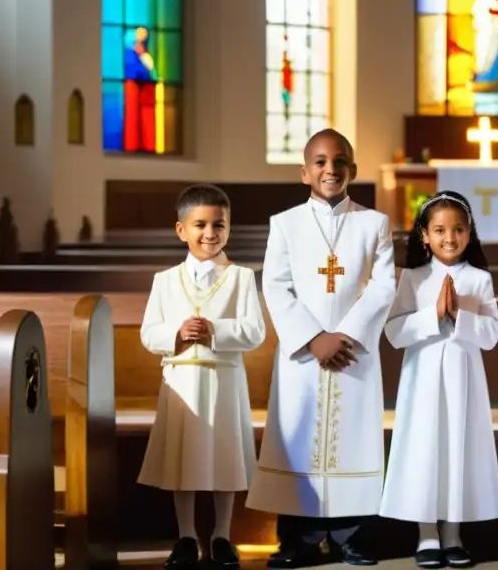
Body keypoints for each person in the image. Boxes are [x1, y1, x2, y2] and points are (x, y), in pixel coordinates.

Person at [245, 129, 396, 568]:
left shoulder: (374, 223)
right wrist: (314, 338)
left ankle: (355, 535)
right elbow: (274, 285)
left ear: (353, 168)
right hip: (302, 355)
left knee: (354, 438)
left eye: (340, 161)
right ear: (304, 171)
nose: (331, 169)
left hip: (354, 353)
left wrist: (344, 335)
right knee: (297, 438)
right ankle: (298, 538)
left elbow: (384, 285)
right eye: (321, 161)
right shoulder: (285, 223)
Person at [137, 184, 267, 568]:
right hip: (181, 383)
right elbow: (148, 332)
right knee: (183, 464)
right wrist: (176, 333)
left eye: (218, 225)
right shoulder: (164, 280)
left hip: (223, 381)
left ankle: (223, 534)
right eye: (200, 225)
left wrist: (216, 331)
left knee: (224, 462)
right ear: (181, 230)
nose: (210, 233)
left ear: (229, 228)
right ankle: (187, 537)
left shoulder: (241, 277)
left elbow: (255, 331)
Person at [380, 191, 498, 569]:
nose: (449, 238)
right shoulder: (414, 279)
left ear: (470, 233)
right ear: (424, 235)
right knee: (426, 450)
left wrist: (460, 316)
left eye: (458, 229)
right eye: (439, 230)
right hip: (422, 380)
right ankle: (427, 535)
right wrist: (433, 315)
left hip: (464, 378)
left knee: (457, 449)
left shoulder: (479, 279)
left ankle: (453, 534)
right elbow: (395, 331)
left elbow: (493, 333)